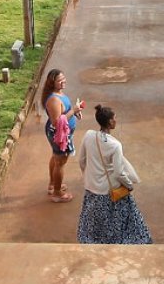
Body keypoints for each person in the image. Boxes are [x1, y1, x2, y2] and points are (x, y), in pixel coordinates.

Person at [76, 105, 152, 244]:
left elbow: (81, 160)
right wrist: (129, 185)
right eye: (114, 118)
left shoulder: (88, 136)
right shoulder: (115, 145)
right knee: (123, 221)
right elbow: (118, 172)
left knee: (93, 223)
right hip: (109, 191)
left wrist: (88, 176)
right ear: (110, 122)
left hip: (91, 189)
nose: (116, 120)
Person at [41, 68, 83, 203]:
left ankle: (53, 184)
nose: (63, 81)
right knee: (60, 162)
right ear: (52, 83)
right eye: (59, 80)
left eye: (63, 78)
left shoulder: (59, 94)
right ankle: (57, 193)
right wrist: (73, 110)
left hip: (63, 133)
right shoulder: (53, 99)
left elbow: (65, 112)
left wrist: (74, 112)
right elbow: (57, 121)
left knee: (55, 156)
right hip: (59, 134)